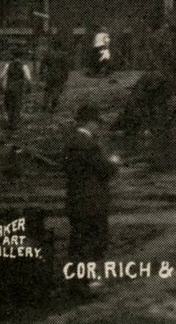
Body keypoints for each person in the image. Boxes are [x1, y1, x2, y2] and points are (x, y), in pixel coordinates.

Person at [64, 103, 119, 293]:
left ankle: (76, 282)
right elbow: (105, 171)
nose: (99, 127)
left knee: (78, 242)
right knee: (94, 242)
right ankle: (87, 283)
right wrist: (113, 162)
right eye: (97, 123)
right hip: (92, 202)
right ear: (89, 123)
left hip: (76, 200)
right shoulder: (89, 145)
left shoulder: (71, 141)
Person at [0, 54, 32, 137]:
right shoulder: (24, 66)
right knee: (17, 105)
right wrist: (29, 87)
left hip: (9, 88)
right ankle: (15, 124)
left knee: (9, 105)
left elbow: (2, 76)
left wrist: (0, 85)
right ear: (21, 58)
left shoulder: (8, 65)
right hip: (18, 89)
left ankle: (10, 122)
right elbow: (28, 78)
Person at [41, 37, 71, 112]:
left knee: (47, 90)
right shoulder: (63, 55)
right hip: (59, 75)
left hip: (49, 74)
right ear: (60, 46)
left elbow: (42, 64)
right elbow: (66, 67)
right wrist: (66, 76)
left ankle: (45, 105)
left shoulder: (48, 54)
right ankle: (53, 107)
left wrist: (41, 73)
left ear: (53, 46)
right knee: (57, 90)